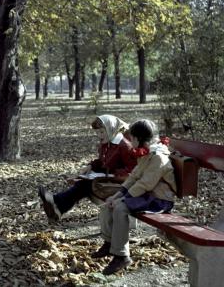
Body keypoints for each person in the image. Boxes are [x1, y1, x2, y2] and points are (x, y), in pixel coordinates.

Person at [92, 119, 177, 275]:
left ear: (139, 139)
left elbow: (145, 184)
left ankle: (121, 255)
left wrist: (121, 200)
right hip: (146, 195)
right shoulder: (147, 153)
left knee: (120, 207)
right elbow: (134, 177)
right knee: (107, 204)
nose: (130, 141)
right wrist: (116, 195)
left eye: (132, 138)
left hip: (159, 200)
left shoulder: (159, 156)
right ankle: (108, 242)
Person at [38, 115, 136, 222]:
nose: (99, 135)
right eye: (97, 133)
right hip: (107, 179)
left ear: (111, 128)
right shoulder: (107, 142)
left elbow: (132, 171)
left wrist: (110, 174)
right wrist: (90, 166)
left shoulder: (124, 146)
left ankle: (57, 203)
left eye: (102, 132)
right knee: (83, 183)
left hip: (121, 184)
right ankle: (58, 208)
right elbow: (102, 161)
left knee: (85, 184)